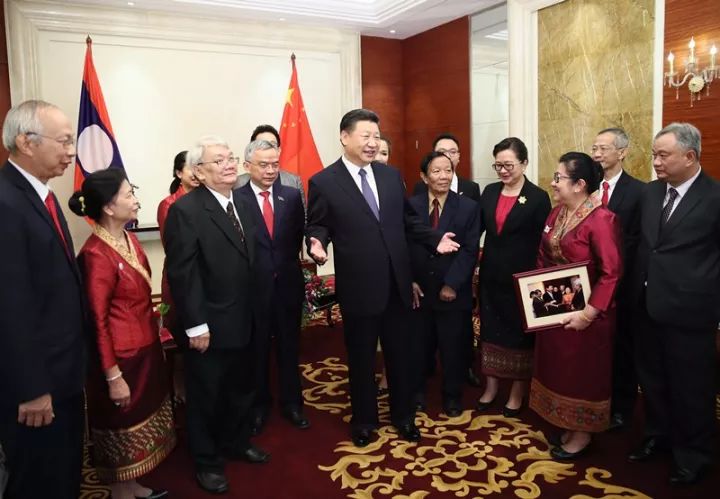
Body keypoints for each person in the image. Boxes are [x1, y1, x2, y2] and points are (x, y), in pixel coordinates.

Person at [306, 109, 459, 448]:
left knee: (400, 354)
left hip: (397, 284)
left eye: (376, 136)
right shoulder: (324, 182)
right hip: (359, 286)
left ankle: (404, 417)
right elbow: (318, 224)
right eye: (366, 136)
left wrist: (435, 239)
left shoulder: (390, 176)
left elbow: (407, 221)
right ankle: (364, 421)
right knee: (361, 357)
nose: (373, 143)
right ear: (345, 137)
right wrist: (316, 242)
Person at [164, 136, 268, 494]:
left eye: (230, 158)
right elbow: (183, 273)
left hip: (247, 317)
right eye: (218, 160)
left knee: (242, 388)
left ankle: (236, 441)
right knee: (207, 395)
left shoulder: (243, 202)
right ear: (199, 172)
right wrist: (196, 325)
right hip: (209, 324)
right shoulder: (186, 211)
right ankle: (206, 461)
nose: (228, 165)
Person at [70, 169, 174, 499]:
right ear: (108, 207)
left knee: (140, 422)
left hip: (144, 351)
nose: (136, 200)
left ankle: (131, 485)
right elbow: (97, 322)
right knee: (120, 427)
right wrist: (113, 376)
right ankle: (120, 491)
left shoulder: (128, 238)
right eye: (129, 195)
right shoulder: (95, 255)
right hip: (120, 360)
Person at [0, 100, 86, 499]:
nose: (71, 151)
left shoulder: (42, 197)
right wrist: (32, 387)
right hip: (35, 388)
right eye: (64, 141)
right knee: (38, 482)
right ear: (26, 142)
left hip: (63, 375)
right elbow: (10, 306)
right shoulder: (6, 203)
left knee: (64, 474)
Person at [628, 123, 720, 486]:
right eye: (654, 154)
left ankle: (693, 455)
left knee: (691, 387)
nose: (655, 162)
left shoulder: (714, 197)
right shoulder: (650, 193)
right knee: (652, 380)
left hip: (690, 312)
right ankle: (657, 436)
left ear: (690, 156)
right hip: (647, 305)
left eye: (663, 155)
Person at [530, 152, 622, 461]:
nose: (553, 183)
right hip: (555, 308)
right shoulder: (556, 213)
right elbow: (543, 257)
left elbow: (611, 273)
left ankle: (582, 433)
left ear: (580, 184)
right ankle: (566, 423)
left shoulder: (602, 219)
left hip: (588, 317)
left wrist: (589, 313)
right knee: (559, 369)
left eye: (559, 178)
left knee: (581, 374)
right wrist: (538, 297)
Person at [237, 140, 309, 435]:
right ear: (247, 167)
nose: (270, 170)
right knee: (257, 349)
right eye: (263, 165)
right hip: (253, 288)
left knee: (290, 347)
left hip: (288, 284)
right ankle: (259, 406)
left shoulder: (290, 196)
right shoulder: (236, 198)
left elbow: (296, 236)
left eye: (275, 164)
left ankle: (292, 403)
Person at [476, 137, 551, 417]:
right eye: (498, 165)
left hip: (522, 280)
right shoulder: (489, 192)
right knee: (490, 332)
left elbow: (543, 243)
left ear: (524, 163)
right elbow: (477, 230)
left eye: (509, 165)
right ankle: (491, 387)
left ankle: (517, 393)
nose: (503, 171)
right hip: (491, 276)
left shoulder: (537, 197)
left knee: (520, 337)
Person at [408, 151, 480, 417]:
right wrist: (410, 280)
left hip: (452, 291)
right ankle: (417, 393)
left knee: (452, 348)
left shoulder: (468, 207)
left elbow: (470, 250)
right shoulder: (411, 205)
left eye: (448, 170)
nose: (443, 176)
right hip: (419, 290)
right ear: (424, 176)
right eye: (436, 171)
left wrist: (452, 284)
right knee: (417, 346)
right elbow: (404, 245)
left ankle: (452, 396)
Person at [591, 127, 645, 431]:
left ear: (622, 152)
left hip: (623, 285)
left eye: (603, 148)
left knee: (623, 347)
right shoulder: (587, 188)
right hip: (590, 283)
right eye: (594, 148)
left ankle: (621, 408)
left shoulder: (639, 192)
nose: (597, 154)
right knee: (595, 348)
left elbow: (637, 242)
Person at [235, 124, 306, 208]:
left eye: (272, 145)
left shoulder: (293, 183)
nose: (267, 149)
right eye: (261, 144)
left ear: (279, 150)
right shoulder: (237, 184)